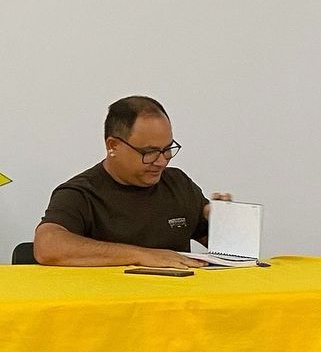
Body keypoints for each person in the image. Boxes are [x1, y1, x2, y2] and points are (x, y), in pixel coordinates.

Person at [33, 95, 230, 269]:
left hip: (179, 297)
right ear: (113, 146)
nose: (161, 161)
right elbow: (47, 246)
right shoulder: (81, 193)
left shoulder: (178, 184)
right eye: (149, 152)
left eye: (167, 149)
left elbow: (226, 249)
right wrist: (142, 256)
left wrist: (225, 221)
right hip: (111, 298)